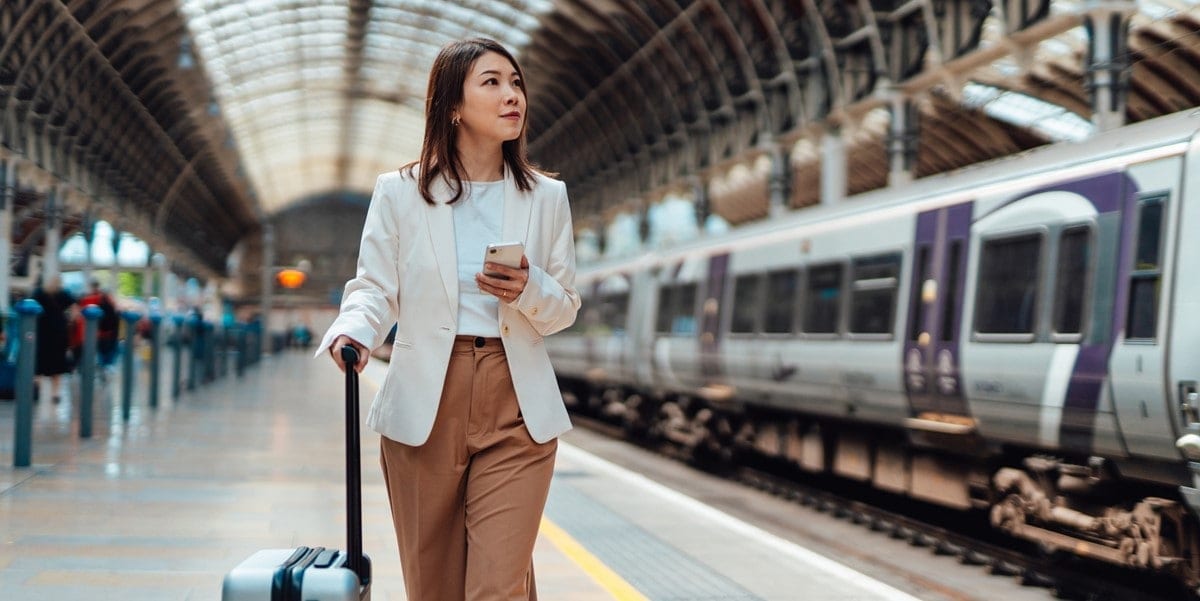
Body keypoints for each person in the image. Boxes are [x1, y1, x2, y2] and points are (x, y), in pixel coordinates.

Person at [316, 37, 580, 601]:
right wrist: (354, 331)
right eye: (492, 82)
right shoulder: (400, 193)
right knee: (432, 586)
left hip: (517, 404)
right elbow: (374, 287)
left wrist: (530, 288)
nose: (512, 95)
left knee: (496, 586)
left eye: (516, 83)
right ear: (453, 106)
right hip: (425, 403)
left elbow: (564, 308)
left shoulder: (547, 197)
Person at [32, 275, 75, 403]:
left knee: (40, 362)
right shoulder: (63, 293)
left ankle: (36, 388)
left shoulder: (39, 292)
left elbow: (31, 307)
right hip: (59, 331)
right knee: (58, 364)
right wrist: (68, 321)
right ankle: (55, 394)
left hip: (42, 330)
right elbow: (74, 309)